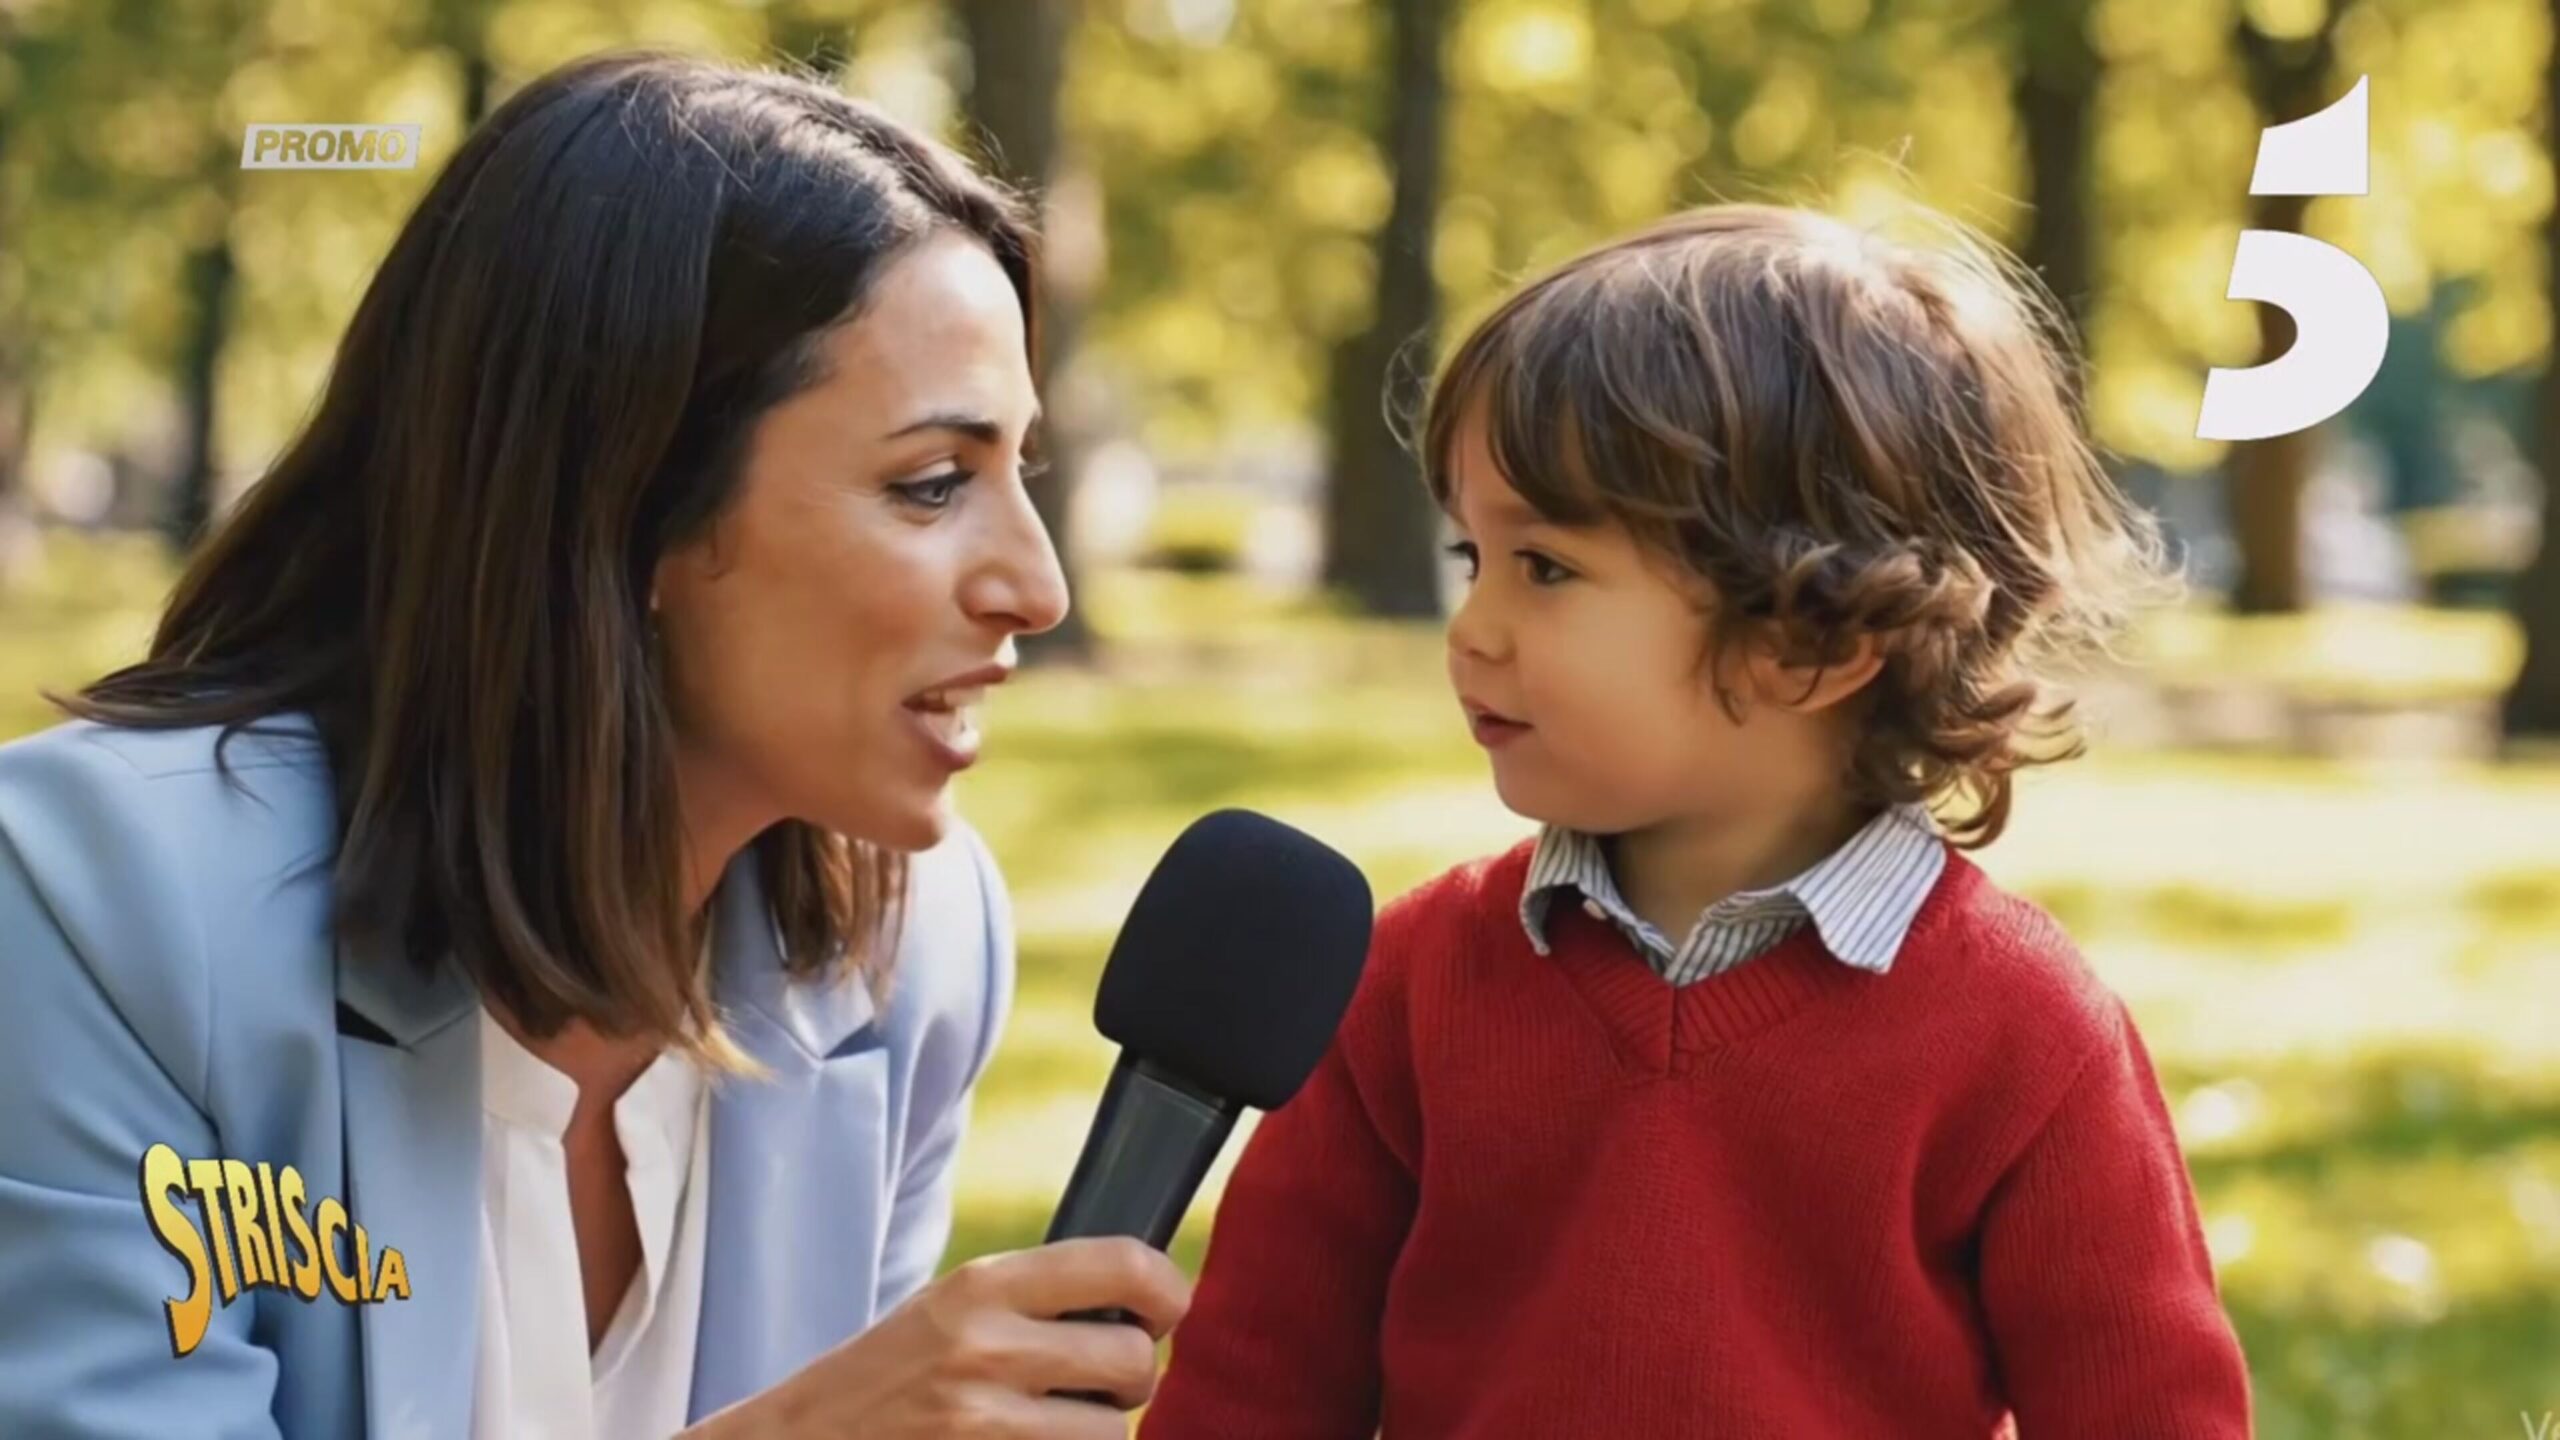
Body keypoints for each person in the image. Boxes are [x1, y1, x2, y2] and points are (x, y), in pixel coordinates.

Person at [0, 51, 1187, 1440]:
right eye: (932, 484)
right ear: (629, 509)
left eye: (1018, 473)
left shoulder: (914, 949)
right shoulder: (94, 905)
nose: (1036, 588)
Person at [1139, 204, 2255, 1437]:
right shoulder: (1406, 989)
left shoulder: (2025, 1034)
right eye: (1475, 558)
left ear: (1814, 640)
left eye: (1546, 567)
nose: (1473, 629)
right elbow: (1249, 1391)